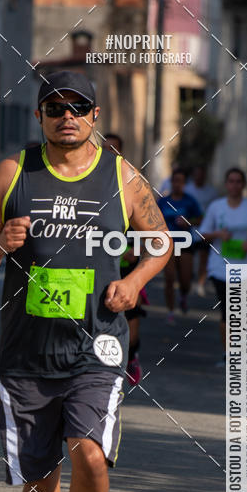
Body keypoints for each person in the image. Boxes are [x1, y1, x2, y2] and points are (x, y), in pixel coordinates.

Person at [0, 70, 171, 492]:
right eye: (55, 107)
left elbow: (161, 244)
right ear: (40, 116)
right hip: (27, 351)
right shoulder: (14, 173)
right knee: (39, 475)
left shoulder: (120, 175)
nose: (67, 116)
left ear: (95, 117)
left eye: (78, 107)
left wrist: (133, 284)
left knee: (89, 455)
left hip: (98, 346)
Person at [198, 167, 247, 365]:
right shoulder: (216, 207)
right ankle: (229, 353)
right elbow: (203, 234)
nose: (234, 185)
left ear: (243, 185)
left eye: (238, 181)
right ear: (226, 184)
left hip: (246, 264)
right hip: (220, 266)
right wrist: (219, 235)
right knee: (228, 310)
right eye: (231, 181)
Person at [102, 132, 146, 386]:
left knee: (131, 320)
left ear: (121, 153)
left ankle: (131, 356)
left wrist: (136, 251)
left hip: (129, 267)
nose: (109, 154)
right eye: (104, 149)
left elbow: (150, 231)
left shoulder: (130, 181)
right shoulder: (88, 181)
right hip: (98, 266)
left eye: (114, 150)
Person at [157, 169, 202, 322]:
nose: (177, 184)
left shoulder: (190, 201)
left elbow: (200, 219)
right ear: (171, 182)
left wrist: (188, 221)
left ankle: (183, 295)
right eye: (175, 180)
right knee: (169, 278)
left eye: (180, 181)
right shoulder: (163, 201)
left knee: (185, 280)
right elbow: (152, 220)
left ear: (184, 184)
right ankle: (170, 311)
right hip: (167, 245)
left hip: (185, 244)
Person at [186, 165, 218, 295]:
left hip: (205, 231)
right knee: (188, 258)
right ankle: (188, 281)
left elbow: (215, 211)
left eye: (202, 174)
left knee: (204, 258)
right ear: (194, 176)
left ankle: (200, 283)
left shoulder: (212, 192)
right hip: (189, 230)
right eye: (197, 174)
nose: (199, 177)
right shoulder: (187, 190)